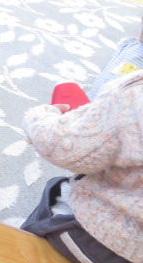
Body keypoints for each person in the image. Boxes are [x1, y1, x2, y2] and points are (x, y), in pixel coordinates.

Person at [21, 65, 143, 262]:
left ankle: (18, 244)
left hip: (98, 239)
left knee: (55, 188)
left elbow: (63, 148)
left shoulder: (133, 93)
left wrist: (40, 118)